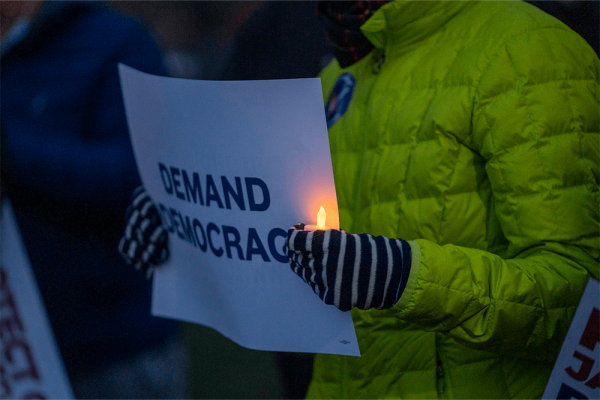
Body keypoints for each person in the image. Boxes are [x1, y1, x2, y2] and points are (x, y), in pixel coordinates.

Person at [120, 0, 599, 398]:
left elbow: (580, 298)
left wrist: (402, 276)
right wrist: (183, 227)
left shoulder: (528, 50)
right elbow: (285, 251)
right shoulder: (342, 75)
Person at [1, 1, 187, 398]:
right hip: (20, 351)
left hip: (115, 350)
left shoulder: (115, 43)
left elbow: (148, 180)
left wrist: (13, 151)